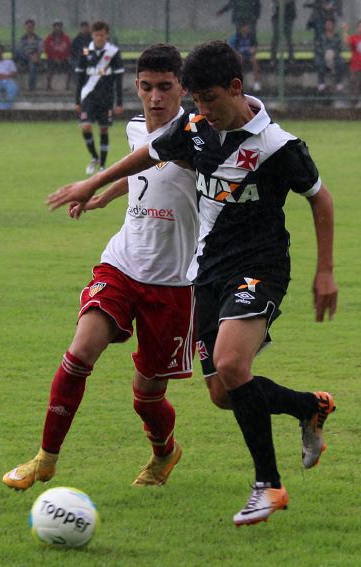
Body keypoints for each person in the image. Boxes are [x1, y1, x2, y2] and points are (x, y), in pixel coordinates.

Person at [47, 40, 337, 527]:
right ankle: (309, 407)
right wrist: (92, 185)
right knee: (224, 392)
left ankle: (268, 486)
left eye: (210, 100)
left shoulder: (278, 146)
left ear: (236, 88)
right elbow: (148, 155)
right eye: (197, 101)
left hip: (260, 268)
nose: (202, 110)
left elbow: (320, 199)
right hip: (206, 272)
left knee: (231, 364)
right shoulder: (197, 128)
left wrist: (325, 270)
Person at [3, 43, 199, 492]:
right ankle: (45, 459)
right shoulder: (134, 127)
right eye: (146, 87)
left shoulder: (196, 136)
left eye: (165, 87)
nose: (155, 97)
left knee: (147, 396)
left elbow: (155, 157)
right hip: (122, 263)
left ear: (182, 88)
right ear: (135, 86)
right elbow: (140, 171)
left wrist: (93, 181)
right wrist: (104, 197)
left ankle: (165, 452)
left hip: (173, 282)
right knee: (79, 354)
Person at [75, 21, 124, 175]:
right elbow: (80, 77)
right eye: (96, 35)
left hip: (106, 97)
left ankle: (102, 165)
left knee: (103, 129)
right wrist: (77, 100)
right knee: (85, 127)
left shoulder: (113, 52)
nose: (99, 38)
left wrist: (119, 102)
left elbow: (118, 80)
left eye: (102, 35)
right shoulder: (85, 51)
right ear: (92, 35)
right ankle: (94, 157)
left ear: (106, 35)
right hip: (88, 96)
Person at [315, 17, 344, 92]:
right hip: (323, 56)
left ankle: (339, 83)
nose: (328, 26)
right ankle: (321, 83)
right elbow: (317, 48)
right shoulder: (320, 36)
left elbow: (339, 48)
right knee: (320, 63)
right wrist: (326, 53)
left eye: (330, 24)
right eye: (327, 24)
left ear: (333, 25)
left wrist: (333, 53)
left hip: (334, 56)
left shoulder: (337, 36)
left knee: (340, 63)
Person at [230, 22, 261, 91]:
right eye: (245, 27)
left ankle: (256, 83)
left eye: (247, 27)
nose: (246, 29)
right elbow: (234, 48)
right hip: (240, 55)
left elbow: (255, 46)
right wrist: (238, 54)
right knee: (238, 62)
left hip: (249, 55)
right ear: (241, 28)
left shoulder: (251, 36)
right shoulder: (237, 37)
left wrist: (254, 49)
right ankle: (237, 83)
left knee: (254, 61)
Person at [44, 20, 72, 91]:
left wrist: (62, 58)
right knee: (49, 69)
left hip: (63, 59)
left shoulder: (66, 38)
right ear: (53, 28)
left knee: (70, 70)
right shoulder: (49, 38)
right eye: (56, 26)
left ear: (61, 27)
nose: (57, 28)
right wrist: (54, 58)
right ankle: (48, 86)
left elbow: (68, 50)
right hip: (52, 59)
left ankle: (67, 86)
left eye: (59, 26)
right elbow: (47, 50)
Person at [16, 19, 43, 90]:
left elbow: (40, 49)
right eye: (28, 27)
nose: (29, 29)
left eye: (31, 27)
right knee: (17, 50)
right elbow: (21, 49)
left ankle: (31, 87)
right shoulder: (22, 38)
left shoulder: (38, 39)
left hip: (34, 58)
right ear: (25, 28)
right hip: (24, 58)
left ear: (33, 28)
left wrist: (37, 55)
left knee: (32, 67)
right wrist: (30, 56)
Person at [270, 0, 296, 66]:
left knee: (288, 38)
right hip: (277, 15)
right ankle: (273, 58)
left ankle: (291, 58)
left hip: (288, 15)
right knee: (276, 37)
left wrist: (284, 2)